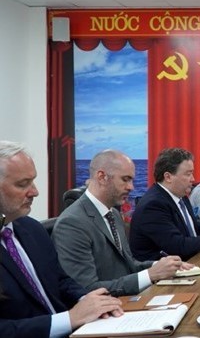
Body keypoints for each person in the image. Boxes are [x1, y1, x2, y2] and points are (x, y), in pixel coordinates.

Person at [0, 141, 122, 337]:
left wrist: (88, 299)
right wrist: (70, 319)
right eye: (22, 184)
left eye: (33, 181)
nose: (35, 192)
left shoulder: (31, 228)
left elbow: (60, 280)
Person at [52, 149, 191, 296]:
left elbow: (128, 265)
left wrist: (161, 265)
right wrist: (150, 274)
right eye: (125, 179)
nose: (131, 187)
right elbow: (86, 290)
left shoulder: (114, 214)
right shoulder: (72, 223)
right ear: (102, 177)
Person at [129, 148, 200, 261]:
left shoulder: (181, 196)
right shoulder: (153, 205)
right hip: (165, 274)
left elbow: (189, 230)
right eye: (188, 174)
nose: (193, 179)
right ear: (168, 177)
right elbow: (178, 246)